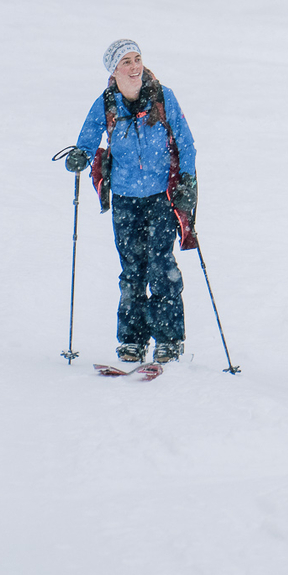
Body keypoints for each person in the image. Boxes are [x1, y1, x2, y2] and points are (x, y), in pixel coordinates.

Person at [62, 40, 198, 365]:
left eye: (137, 59)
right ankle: (132, 341)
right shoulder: (107, 102)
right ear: (114, 70)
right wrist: (79, 155)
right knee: (132, 271)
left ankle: (169, 340)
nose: (134, 66)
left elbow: (186, 143)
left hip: (160, 197)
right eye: (126, 61)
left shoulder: (163, 97)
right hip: (125, 199)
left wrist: (187, 181)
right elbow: (87, 139)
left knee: (161, 267)